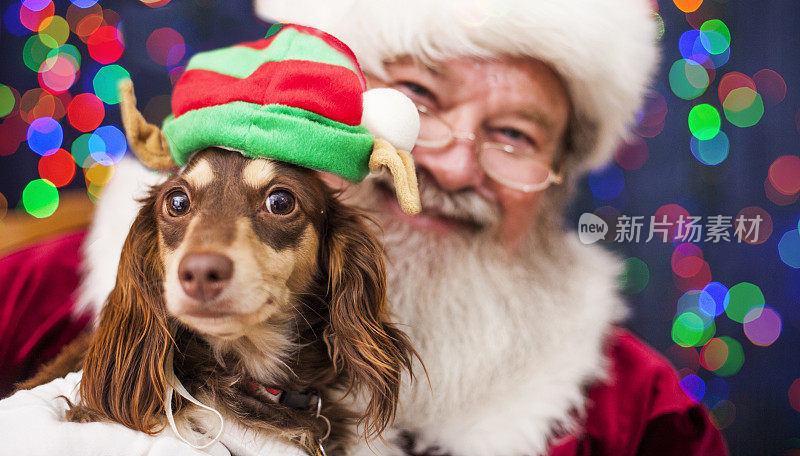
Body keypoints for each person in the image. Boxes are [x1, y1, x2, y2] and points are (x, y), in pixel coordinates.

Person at [0, 0, 728, 455]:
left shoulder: (637, 409)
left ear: (556, 181)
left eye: (513, 136)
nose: (451, 162)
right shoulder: (68, 286)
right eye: (417, 98)